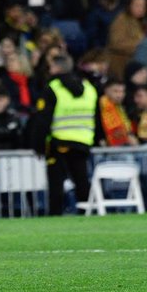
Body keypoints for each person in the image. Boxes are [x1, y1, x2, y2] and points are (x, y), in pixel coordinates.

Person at [29, 55, 97, 216]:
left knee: (56, 183)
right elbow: (96, 117)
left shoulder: (53, 88)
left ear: (57, 68)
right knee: (81, 181)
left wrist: (38, 145)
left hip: (59, 141)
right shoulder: (88, 88)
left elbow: (43, 119)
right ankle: (86, 214)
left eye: (51, 67)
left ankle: (55, 216)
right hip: (83, 140)